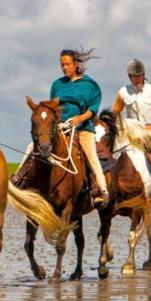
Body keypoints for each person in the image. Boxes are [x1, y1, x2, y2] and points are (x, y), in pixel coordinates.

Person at [111, 58, 151, 213]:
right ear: (129, 76)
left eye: (138, 76)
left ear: (144, 75)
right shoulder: (123, 92)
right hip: (130, 135)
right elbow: (115, 112)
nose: (136, 79)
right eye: (132, 76)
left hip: (149, 135)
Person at [50, 48, 108, 207]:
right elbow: (53, 108)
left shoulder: (89, 85)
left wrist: (79, 119)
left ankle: (101, 190)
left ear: (76, 64)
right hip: (60, 128)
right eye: (62, 65)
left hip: (82, 128)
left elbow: (93, 109)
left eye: (67, 64)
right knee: (33, 147)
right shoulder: (57, 84)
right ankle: (20, 179)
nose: (64, 68)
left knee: (90, 154)